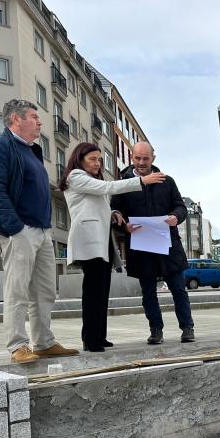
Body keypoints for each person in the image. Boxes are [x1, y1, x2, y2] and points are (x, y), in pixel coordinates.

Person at [0, 99, 78, 364]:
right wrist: (14, 228)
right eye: (33, 117)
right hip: (19, 230)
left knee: (45, 291)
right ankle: (17, 345)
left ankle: (44, 342)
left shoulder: (32, 151)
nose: (40, 122)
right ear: (16, 119)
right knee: (17, 289)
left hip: (42, 230)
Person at [59, 143, 165, 352]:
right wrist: (141, 181)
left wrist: (113, 213)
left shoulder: (89, 180)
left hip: (102, 239)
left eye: (99, 159)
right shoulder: (76, 176)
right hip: (89, 240)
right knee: (93, 291)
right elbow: (108, 188)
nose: (97, 163)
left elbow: (95, 207)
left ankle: (99, 336)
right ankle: (90, 339)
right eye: (93, 159)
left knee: (102, 289)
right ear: (79, 159)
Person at [111, 142, 194, 345]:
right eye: (137, 158)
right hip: (141, 247)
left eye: (145, 158)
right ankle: (156, 331)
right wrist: (124, 226)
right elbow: (115, 213)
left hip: (168, 245)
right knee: (148, 292)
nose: (141, 162)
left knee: (178, 289)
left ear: (153, 159)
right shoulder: (123, 184)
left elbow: (180, 207)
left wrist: (176, 217)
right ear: (131, 157)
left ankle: (187, 328)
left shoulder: (167, 181)